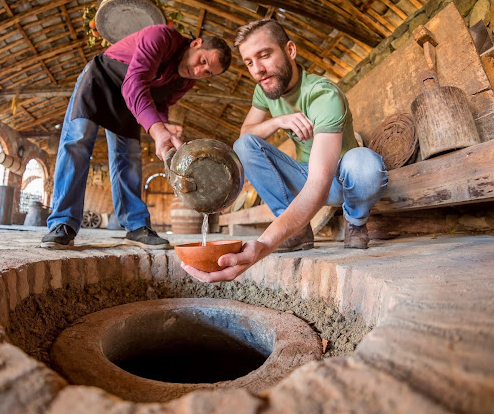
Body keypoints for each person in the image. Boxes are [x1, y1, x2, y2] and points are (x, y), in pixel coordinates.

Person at [182, 19, 388, 283]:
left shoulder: (322, 95)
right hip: (303, 175)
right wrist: (278, 121)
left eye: (264, 55)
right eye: (249, 62)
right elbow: (246, 132)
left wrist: (265, 243)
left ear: (290, 50)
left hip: (337, 177)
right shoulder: (265, 90)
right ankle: (297, 231)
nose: (257, 70)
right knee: (243, 145)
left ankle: (356, 222)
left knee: (364, 164)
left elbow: (320, 182)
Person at [42, 24, 232, 249]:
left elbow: (161, 102)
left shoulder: (185, 81)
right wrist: (157, 129)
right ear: (196, 43)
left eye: (208, 73)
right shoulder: (161, 36)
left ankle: (136, 226)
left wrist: (164, 128)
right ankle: (63, 223)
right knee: (78, 140)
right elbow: (135, 82)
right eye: (203, 61)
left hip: (130, 102)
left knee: (129, 156)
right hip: (101, 79)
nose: (200, 71)